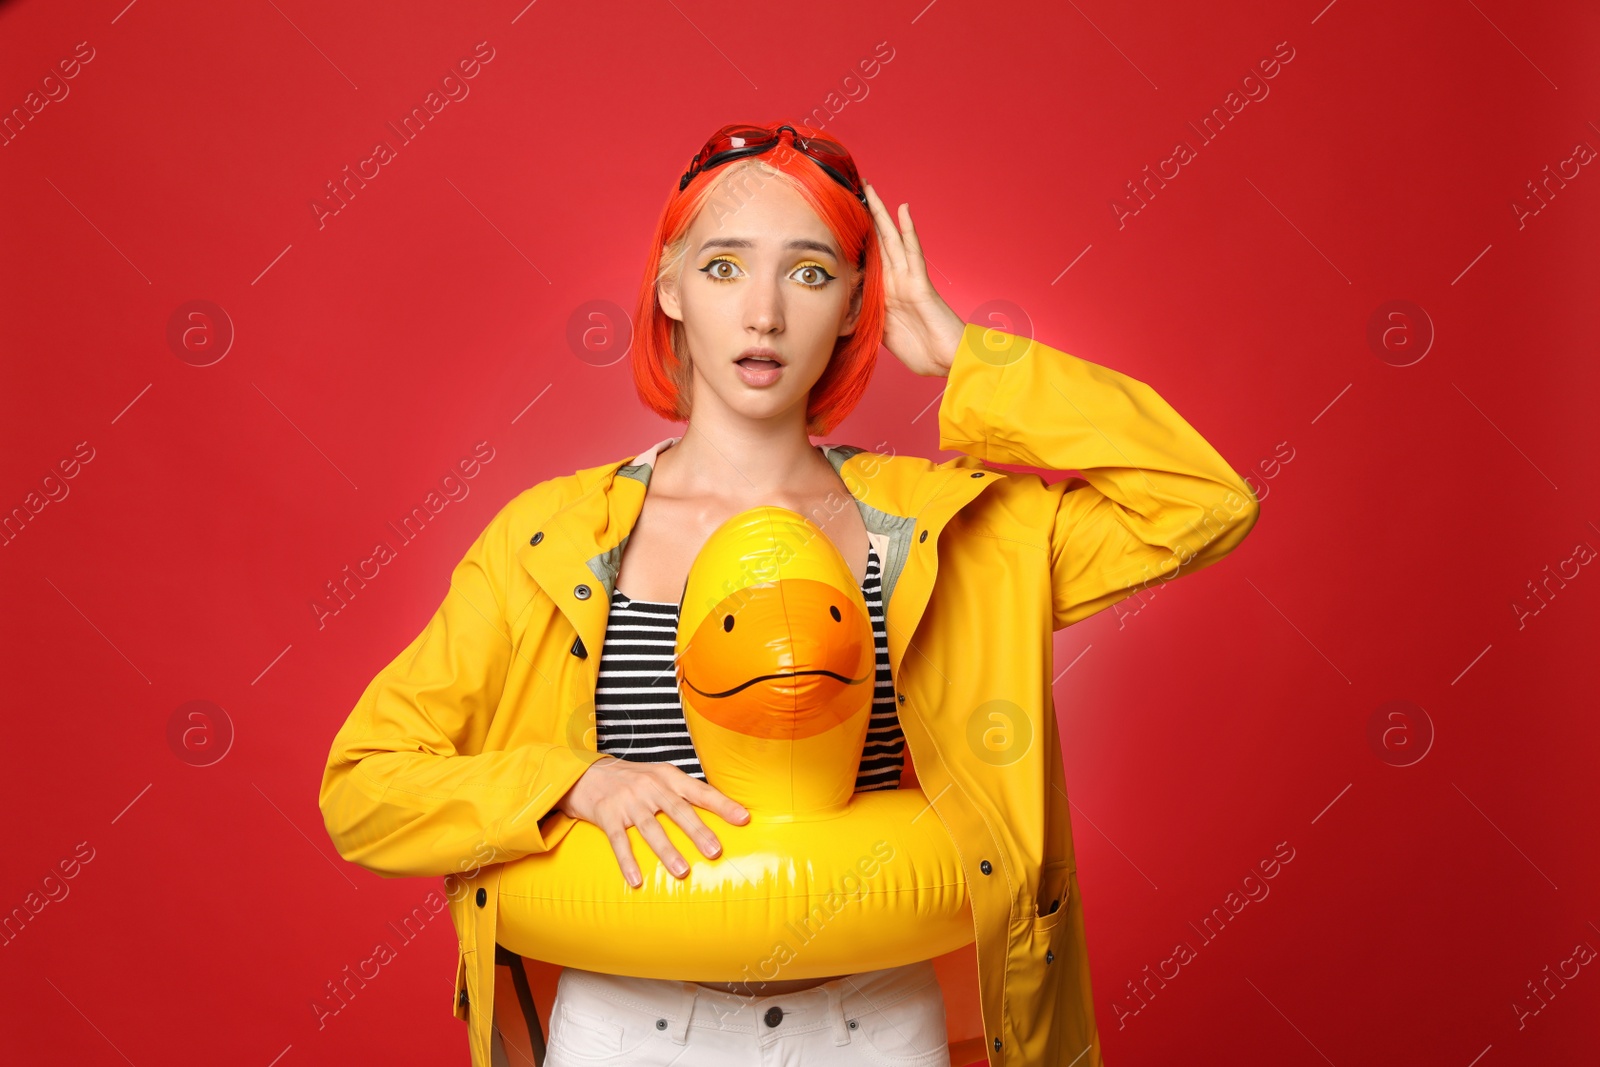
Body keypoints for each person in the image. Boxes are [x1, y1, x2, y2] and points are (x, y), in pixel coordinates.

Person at [319, 120, 1261, 1067]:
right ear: (670, 287)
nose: (764, 314)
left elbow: (1201, 502)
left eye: (809, 274)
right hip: (628, 1030)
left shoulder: (947, 531)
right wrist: (571, 780)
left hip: (871, 1027)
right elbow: (365, 787)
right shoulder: (548, 540)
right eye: (725, 268)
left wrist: (970, 357)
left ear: (857, 304)